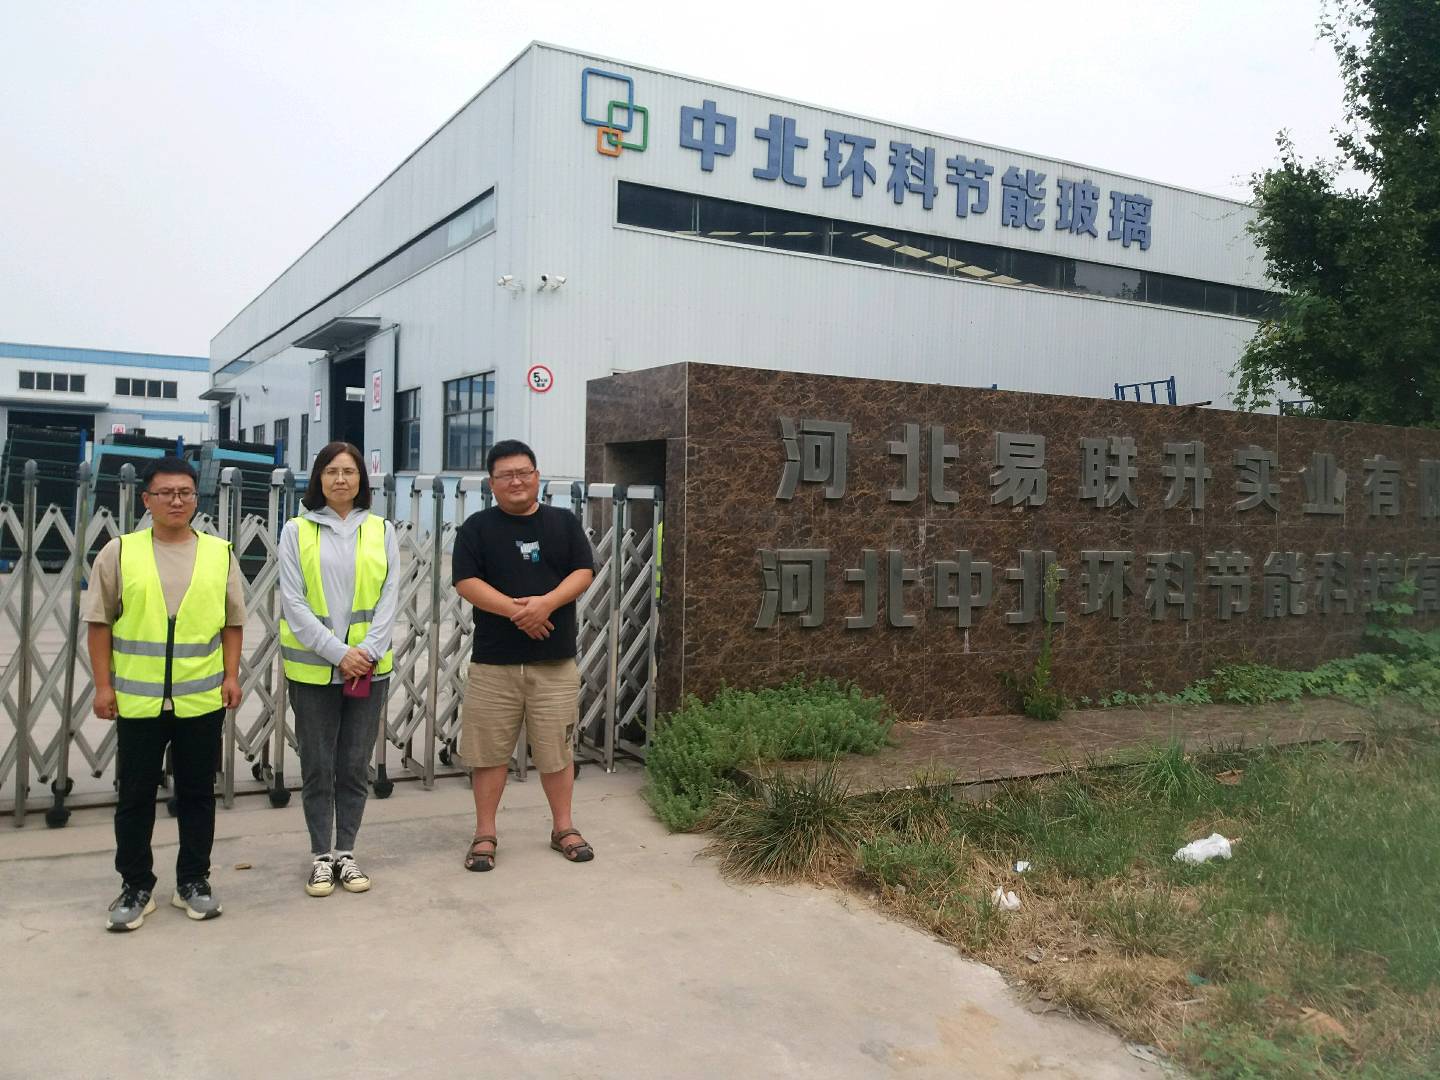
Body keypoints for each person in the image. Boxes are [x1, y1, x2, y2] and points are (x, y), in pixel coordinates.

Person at [85, 455, 245, 931]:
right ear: (147, 499)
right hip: (139, 700)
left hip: (201, 699)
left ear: (197, 498)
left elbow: (232, 622)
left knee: (197, 795)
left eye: (186, 493)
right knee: (135, 796)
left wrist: (231, 675)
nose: (177, 501)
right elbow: (99, 622)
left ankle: (193, 881)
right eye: (166, 493)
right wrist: (103, 685)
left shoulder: (219, 553)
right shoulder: (119, 552)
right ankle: (135, 885)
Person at [452, 439, 595, 871]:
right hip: (494, 663)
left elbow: (583, 571)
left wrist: (546, 604)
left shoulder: (563, 523)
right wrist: (521, 612)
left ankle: (563, 827)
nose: (516, 481)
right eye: (506, 475)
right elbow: (466, 582)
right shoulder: (476, 528)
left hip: (554, 662)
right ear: (491, 483)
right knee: (488, 753)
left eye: (523, 473)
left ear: (537, 476)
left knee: (557, 750)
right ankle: (485, 833)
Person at [278, 441, 398, 897]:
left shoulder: (381, 530)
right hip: (314, 670)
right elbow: (294, 602)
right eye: (331, 471)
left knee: (352, 765)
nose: (341, 479)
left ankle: (346, 852)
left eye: (349, 471)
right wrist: (338, 653)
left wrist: (365, 651)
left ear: (361, 479)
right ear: (319, 478)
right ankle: (320, 857)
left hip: (368, 668)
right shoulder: (297, 531)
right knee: (317, 765)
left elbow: (389, 598)